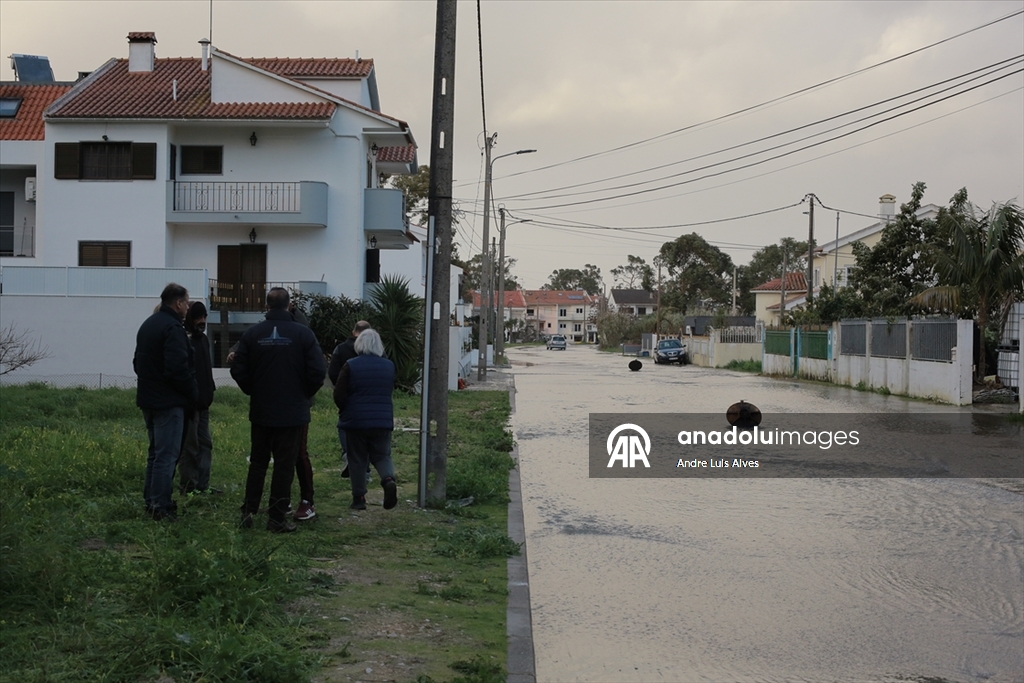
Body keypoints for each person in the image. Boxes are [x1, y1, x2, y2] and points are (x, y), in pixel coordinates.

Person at [232, 287, 326, 533]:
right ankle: (276, 518)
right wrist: (303, 393)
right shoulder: (303, 334)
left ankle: (248, 511)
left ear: (267, 306)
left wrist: (252, 389)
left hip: (262, 410)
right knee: (284, 465)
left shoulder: (253, 334)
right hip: (292, 412)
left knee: (258, 463)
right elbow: (318, 371)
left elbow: (238, 367)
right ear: (289, 305)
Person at [134, 282, 198, 522]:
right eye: (187, 302)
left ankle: (151, 500)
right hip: (168, 402)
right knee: (167, 456)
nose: (188, 307)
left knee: (155, 454)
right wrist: (192, 393)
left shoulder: (148, 325)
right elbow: (177, 369)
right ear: (179, 303)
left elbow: (137, 363)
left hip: (148, 398)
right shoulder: (173, 328)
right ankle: (160, 506)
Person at [333, 329, 398, 511]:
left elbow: (339, 394)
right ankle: (388, 480)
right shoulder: (389, 366)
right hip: (382, 420)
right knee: (382, 455)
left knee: (357, 459)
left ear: (359, 344)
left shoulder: (350, 365)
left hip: (356, 421)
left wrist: (345, 410)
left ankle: (359, 498)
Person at [178, 301, 218, 496]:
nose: (202, 321)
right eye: (198, 318)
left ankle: (203, 485)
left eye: (204, 317)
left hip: (204, 403)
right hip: (189, 405)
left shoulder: (203, 339)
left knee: (205, 444)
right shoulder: (184, 340)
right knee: (190, 447)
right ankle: (188, 487)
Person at [328, 320, 372, 478]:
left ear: (354, 332)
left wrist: (340, 387)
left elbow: (333, 372)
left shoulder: (341, 349)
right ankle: (365, 468)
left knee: (345, 427)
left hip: (347, 395)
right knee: (367, 432)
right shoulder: (375, 349)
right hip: (369, 396)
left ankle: (348, 455)